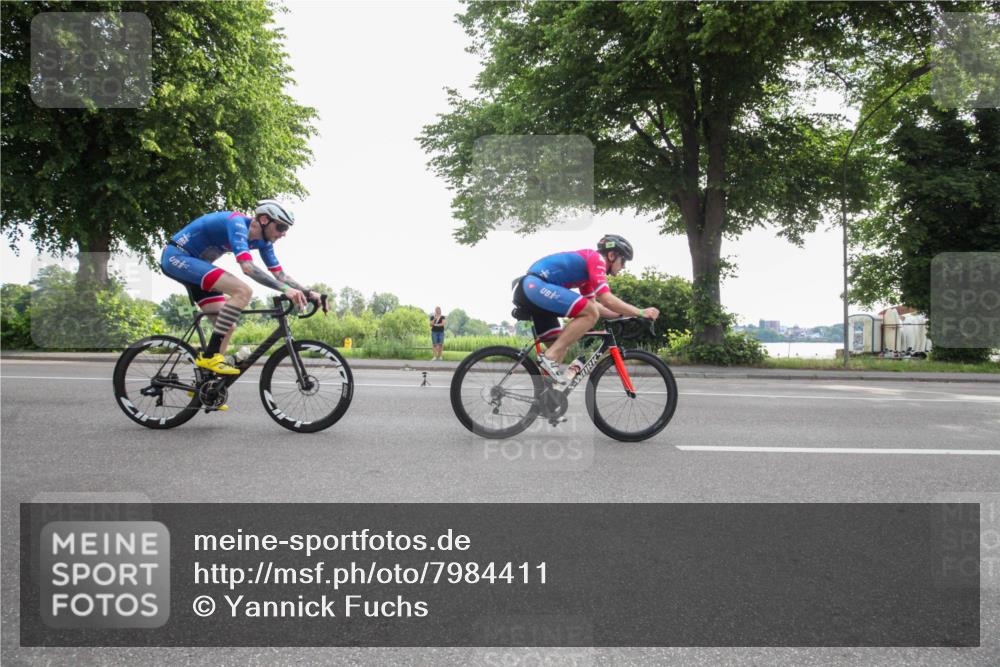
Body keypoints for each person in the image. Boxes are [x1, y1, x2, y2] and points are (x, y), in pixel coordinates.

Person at [160, 199, 326, 376]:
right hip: (177, 257)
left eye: (286, 229)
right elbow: (247, 268)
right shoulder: (237, 223)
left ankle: (207, 384)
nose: (283, 234)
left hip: (196, 266)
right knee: (243, 291)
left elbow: (281, 276)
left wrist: (309, 293)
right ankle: (210, 356)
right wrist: (285, 290)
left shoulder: (264, 243)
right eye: (281, 227)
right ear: (264, 220)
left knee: (227, 326)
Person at [512, 234, 659, 385]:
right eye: (623, 261)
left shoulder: (587, 276)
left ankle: (544, 399)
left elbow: (595, 305)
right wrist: (641, 312)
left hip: (535, 292)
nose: (624, 267)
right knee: (583, 321)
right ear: (612, 255)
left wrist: (622, 314)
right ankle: (549, 357)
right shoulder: (597, 259)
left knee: (560, 346)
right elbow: (606, 300)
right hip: (534, 286)